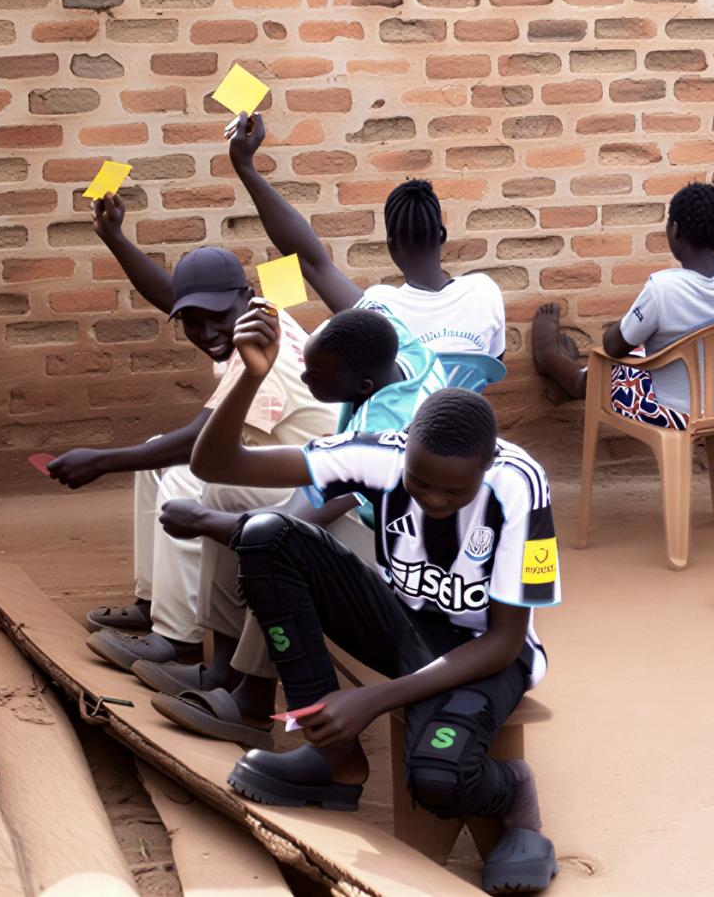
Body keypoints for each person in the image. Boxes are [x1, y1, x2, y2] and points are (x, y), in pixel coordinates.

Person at [186, 310, 560, 893]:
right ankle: (330, 760)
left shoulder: (519, 486)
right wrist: (249, 378)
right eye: (419, 481)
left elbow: (504, 641)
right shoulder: (381, 453)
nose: (433, 498)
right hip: (400, 622)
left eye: (454, 489)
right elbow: (213, 464)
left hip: (481, 654)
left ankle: (512, 791)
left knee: (437, 779)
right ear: (405, 449)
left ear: (486, 467)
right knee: (265, 534)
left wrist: (375, 700)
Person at [136, 306, 451, 746]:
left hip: (412, 579)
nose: (304, 380)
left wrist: (210, 525)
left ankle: (253, 696)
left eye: (316, 375)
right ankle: (223, 664)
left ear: (362, 386)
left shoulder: (383, 430)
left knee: (284, 547)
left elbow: (297, 524)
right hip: (384, 528)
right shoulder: (399, 347)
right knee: (229, 494)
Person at [63, 194, 337, 679]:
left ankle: (179, 640)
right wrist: (115, 238)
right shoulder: (250, 316)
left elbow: (200, 441)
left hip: (314, 490)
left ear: (244, 297)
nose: (208, 331)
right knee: (153, 456)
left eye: (217, 317)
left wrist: (101, 460)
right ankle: (155, 602)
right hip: (277, 462)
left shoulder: (265, 349)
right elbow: (174, 296)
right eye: (193, 321)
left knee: (189, 482)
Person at [530, 62, 714, 549]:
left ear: (673, 233)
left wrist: (621, 330)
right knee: (666, 356)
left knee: (605, 369)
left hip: (675, 408)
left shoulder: (664, 289)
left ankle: (558, 369)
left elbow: (615, 345)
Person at [227, 113, 507, 360]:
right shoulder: (484, 293)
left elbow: (310, 261)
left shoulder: (380, 311)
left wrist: (245, 167)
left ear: (391, 246)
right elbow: (493, 363)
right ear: (442, 235)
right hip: (472, 420)